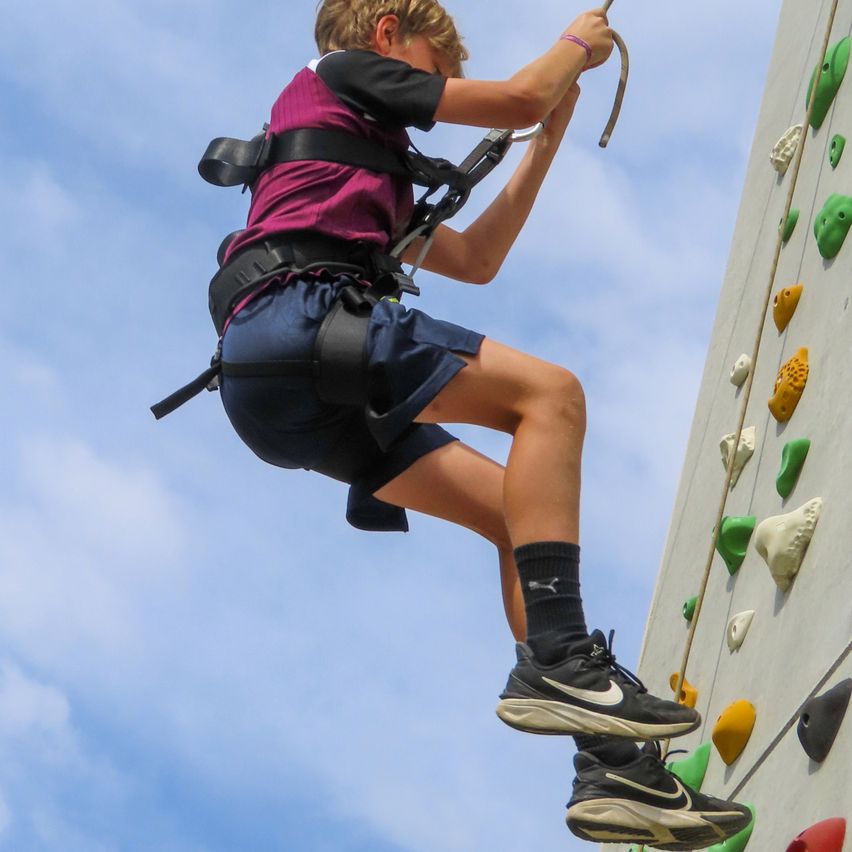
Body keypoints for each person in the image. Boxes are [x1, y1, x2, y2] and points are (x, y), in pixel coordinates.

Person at [213, 0, 752, 845]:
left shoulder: (355, 167)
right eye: (432, 76)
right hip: (305, 322)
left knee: (516, 516)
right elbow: (516, 96)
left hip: (275, 391)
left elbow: (479, 258)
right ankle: (562, 665)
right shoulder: (342, 73)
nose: (435, 94)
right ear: (387, 35)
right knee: (553, 396)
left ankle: (611, 769)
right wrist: (577, 47)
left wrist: (548, 138)